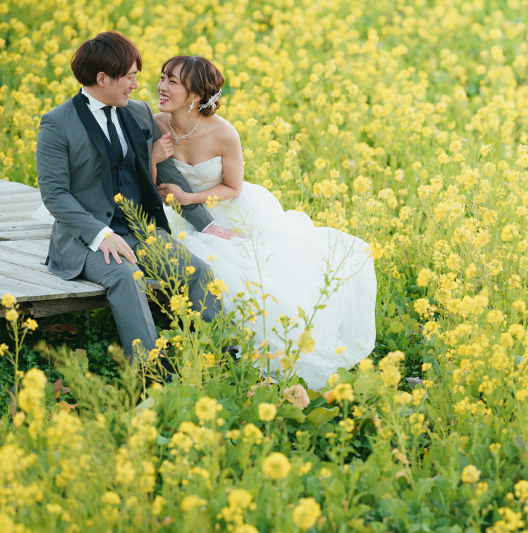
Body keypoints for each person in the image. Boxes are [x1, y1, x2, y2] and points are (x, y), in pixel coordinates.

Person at [153, 55, 377, 390]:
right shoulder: (156, 123)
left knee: (251, 269)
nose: (161, 86)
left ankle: (262, 353)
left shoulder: (224, 133)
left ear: (197, 95)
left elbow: (233, 187)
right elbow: (150, 179)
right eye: (162, 77)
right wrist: (154, 158)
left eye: (172, 81)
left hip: (225, 206)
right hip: (177, 212)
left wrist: (189, 199)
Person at [35, 32, 238, 364]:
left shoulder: (140, 113)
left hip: (142, 230)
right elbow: (54, 194)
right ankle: (151, 372)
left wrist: (206, 223)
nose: (135, 84)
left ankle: (225, 358)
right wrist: (102, 234)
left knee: (199, 273)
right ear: (103, 78)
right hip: (87, 240)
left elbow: (167, 174)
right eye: (129, 76)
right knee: (126, 277)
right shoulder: (58, 124)